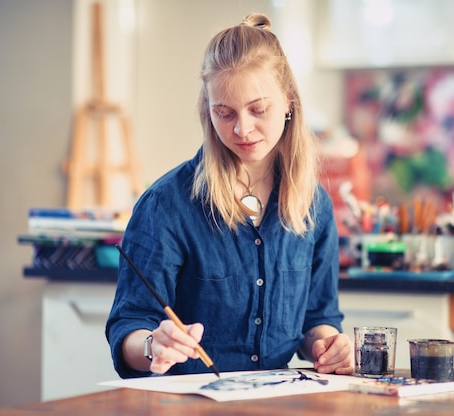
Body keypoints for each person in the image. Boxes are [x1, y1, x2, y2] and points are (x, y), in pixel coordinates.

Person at [105, 13, 353, 378]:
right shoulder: (166, 205)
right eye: (224, 113)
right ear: (208, 110)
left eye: (259, 109)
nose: (242, 128)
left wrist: (328, 345)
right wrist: (151, 345)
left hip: (278, 401)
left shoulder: (314, 205)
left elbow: (318, 317)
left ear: (288, 102)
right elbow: (128, 325)